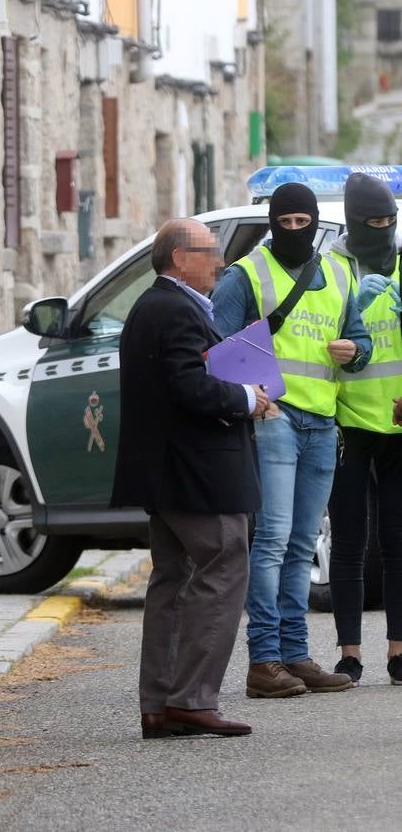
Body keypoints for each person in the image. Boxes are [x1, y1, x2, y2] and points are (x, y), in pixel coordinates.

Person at [212, 181, 372, 698]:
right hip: (273, 420)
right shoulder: (246, 274)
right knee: (274, 540)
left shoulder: (341, 273)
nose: (295, 231)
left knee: (303, 544)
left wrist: (357, 350)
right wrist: (253, 396)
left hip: (323, 423)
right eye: (286, 223)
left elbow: (362, 338)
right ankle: (265, 660)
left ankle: (296, 654)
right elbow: (218, 349)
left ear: (314, 224)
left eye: (304, 223)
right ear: (274, 223)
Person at [112, 218, 265, 739]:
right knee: (223, 566)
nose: (220, 260)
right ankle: (192, 698)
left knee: (173, 581)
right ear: (180, 258)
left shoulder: (162, 305)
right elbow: (189, 387)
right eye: (209, 250)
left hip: (176, 474)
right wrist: (248, 396)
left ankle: (160, 704)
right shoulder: (174, 309)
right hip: (197, 473)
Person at [327, 172, 402, 685]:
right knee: (349, 542)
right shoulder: (331, 269)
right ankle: (350, 653)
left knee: (398, 542)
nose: (383, 230)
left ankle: (399, 652)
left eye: (389, 222)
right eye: (373, 223)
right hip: (345, 422)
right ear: (353, 222)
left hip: (398, 423)